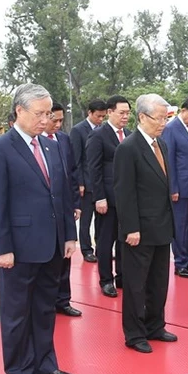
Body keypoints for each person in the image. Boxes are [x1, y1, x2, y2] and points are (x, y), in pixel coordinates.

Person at [0, 83, 78, 374]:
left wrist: (70, 236)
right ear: (19, 111)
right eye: (40, 113)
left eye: (49, 113)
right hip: (19, 248)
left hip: (51, 244)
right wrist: (2, 247)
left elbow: (61, 195)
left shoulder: (51, 146)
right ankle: (20, 370)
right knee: (17, 312)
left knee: (45, 308)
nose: (46, 120)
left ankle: (45, 364)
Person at [114, 94, 177, 353]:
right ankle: (134, 333)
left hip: (162, 225)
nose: (163, 123)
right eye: (159, 118)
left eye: (166, 118)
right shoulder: (128, 148)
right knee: (135, 284)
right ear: (142, 117)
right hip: (139, 229)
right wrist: (131, 228)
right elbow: (124, 191)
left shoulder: (160, 144)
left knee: (158, 281)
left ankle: (155, 325)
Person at [86, 96, 131, 297]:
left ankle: (123, 276)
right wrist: (99, 197)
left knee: (125, 240)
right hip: (107, 199)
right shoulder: (98, 135)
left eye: (128, 113)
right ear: (110, 112)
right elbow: (93, 169)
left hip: (127, 200)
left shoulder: (130, 135)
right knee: (106, 241)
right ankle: (106, 279)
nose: (125, 117)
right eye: (121, 113)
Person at [43, 102, 83, 317]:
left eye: (61, 120)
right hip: (46, 208)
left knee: (66, 253)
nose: (57, 124)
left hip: (65, 205)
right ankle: (47, 300)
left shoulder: (64, 140)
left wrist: (76, 203)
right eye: (54, 120)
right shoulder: (38, 142)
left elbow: (72, 173)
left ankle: (63, 299)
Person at [161, 95, 188, 278]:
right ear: (183, 110)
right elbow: (168, 160)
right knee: (180, 226)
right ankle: (181, 262)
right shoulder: (171, 129)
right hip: (181, 186)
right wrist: (173, 187)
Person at [70, 99, 107, 263]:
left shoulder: (104, 130)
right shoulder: (78, 130)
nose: (100, 119)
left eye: (103, 116)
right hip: (86, 182)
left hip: (101, 184)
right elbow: (76, 159)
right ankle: (86, 249)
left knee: (102, 221)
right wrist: (80, 183)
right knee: (86, 220)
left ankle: (102, 248)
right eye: (98, 116)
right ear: (89, 113)